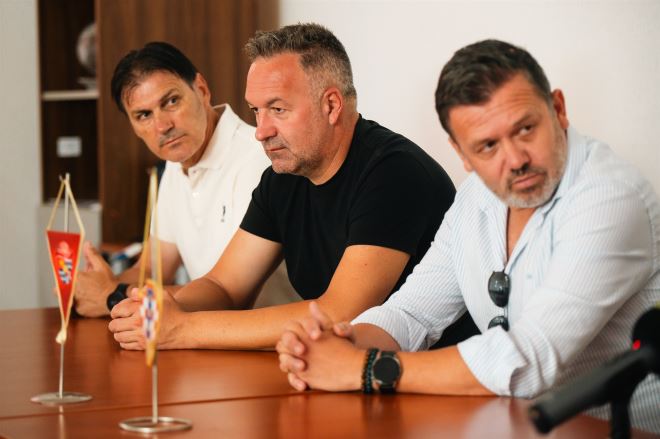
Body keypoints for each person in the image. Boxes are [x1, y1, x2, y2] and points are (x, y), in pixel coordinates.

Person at [276, 39, 660, 433]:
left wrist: (365, 367)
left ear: (558, 109)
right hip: (508, 424)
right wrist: (338, 345)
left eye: (526, 129)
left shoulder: (611, 197)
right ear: (461, 153)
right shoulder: (477, 195)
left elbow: (527, 360)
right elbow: (412, 313)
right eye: (488, 146)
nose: (515, 159)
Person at [107, 23, 461, 351]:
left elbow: (341, 312)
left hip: (432, 379)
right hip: (340, 371)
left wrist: (182, 329)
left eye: (277, 109)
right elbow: (224, 286)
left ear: (331, 105)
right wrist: (160, 309)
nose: (261, 131)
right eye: (256, 111)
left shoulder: (394, 173)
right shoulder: (283, 177)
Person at [74, 41, 293, 318]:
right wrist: (94, 287)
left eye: (171, 102)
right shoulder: (175, 165)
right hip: (207, 334)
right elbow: (153, 270)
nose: (163, 126)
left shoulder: (259, 159)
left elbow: (228, 294)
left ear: (201, 89)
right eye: (144, 115)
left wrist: (113, 295)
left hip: (269, 336)